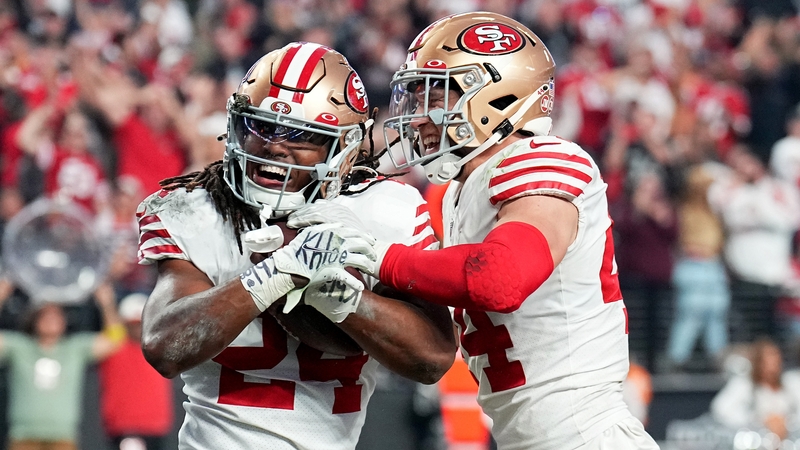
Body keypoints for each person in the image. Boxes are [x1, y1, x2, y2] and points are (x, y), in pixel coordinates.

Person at [307, 12, 660, 449]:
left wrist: (382, 257)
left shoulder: (541, 159)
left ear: (497, 96)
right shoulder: (460, 191)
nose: (417, 116)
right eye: (415, 97)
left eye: (435, 96)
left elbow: (499, 277)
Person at [136, 42, 456, 450]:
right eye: (262, 127)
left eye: (302, 134)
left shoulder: (383, 210)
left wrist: (336, 295)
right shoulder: (195, 209)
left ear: (344, 149)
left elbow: (431, 359)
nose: (273, 146)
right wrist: (277, 272)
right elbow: (165, 346)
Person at [0, 279, 125, 450]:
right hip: (23, 435)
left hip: (63, 436)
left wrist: (107, 303)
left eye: (56, 315)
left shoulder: (74, 348)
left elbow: (115, 340)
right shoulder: (20, 347)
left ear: (64, 321)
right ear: (34, 320)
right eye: (45, 315)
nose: (51, 320)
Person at [98, 293, 173, 450]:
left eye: (141, 323)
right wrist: (106, 303)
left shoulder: (158, 348)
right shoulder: (114, 347)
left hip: (156, 426)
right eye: (133, 323)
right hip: (125, 426)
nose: (138, 328)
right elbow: (112, 329)